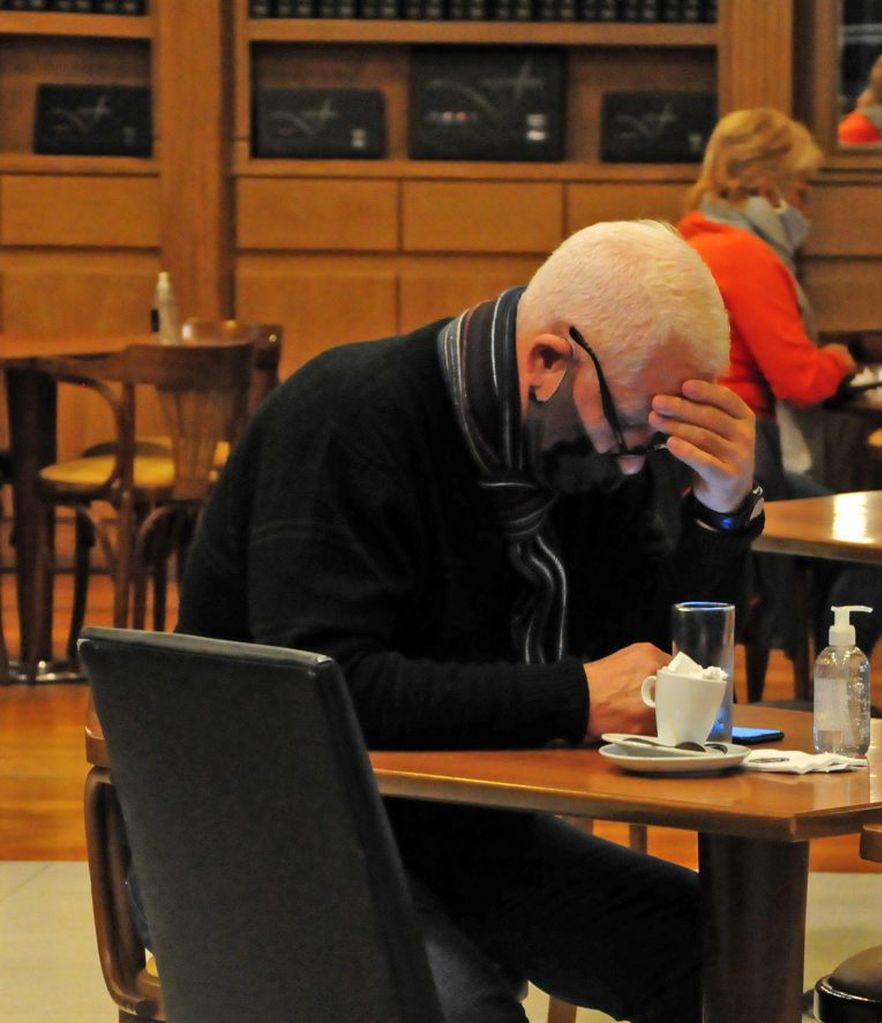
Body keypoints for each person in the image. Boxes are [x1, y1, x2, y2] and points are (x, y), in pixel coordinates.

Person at [175, 220, 760, 1022]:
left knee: (729, 958)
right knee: (459, 1010)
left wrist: (720, 516)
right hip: (262, 835)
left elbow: (652, 658)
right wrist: (576, 698)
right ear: (546, 360)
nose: (631, 465)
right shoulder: (350, 416)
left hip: (455, 825)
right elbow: (320, 687)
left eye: (657, 442)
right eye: (629, 432)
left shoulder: (583, 450)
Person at [677, 107, 882, 656]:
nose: (806, 209)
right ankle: (835, 676)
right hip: (745, 452)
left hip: (684, 458)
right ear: (765, 185)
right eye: (801, 191)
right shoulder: (745, 255)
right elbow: (799, 379)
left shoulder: (686, 239)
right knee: (880, 548)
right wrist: (839, 360)